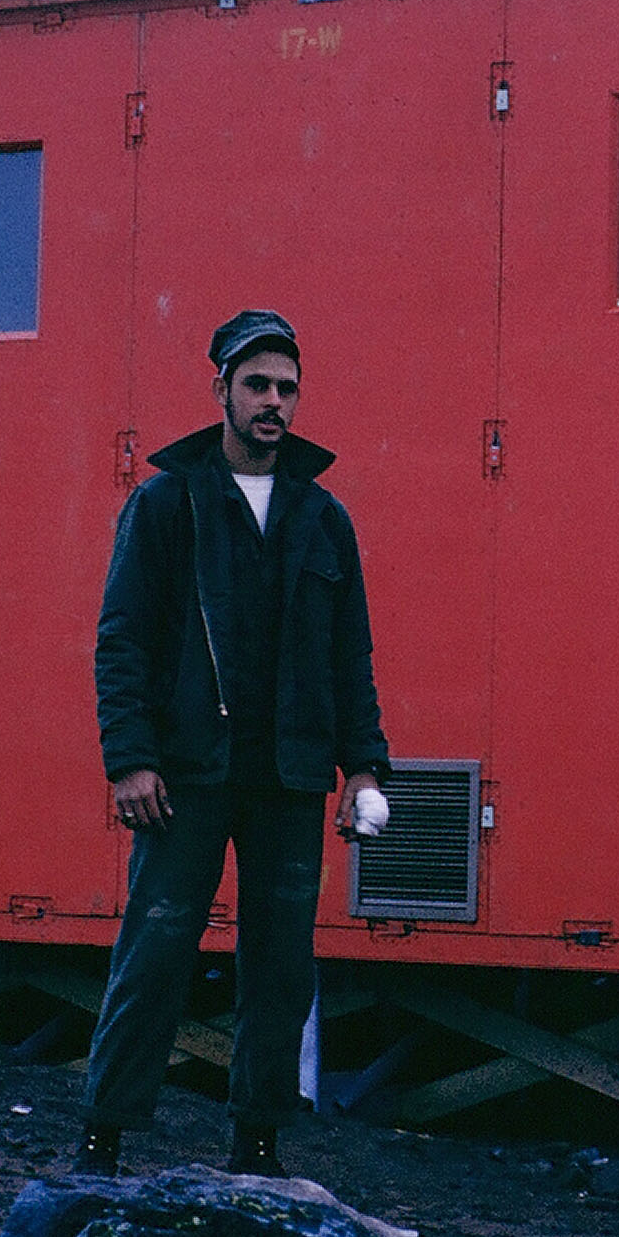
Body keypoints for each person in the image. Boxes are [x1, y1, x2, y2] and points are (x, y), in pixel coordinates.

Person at [77, 309, 388, 1176]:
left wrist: (362, 767)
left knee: (282, 966)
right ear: (220, 389)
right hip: (185, 773)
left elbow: (348, 654)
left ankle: (257, 1150)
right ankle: (101, 1146)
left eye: (287, 388)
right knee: (157, 947)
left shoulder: (322, 517)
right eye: (256, 384)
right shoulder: (166, 502)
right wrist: (130, 759)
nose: (274, 403)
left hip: (288, 776)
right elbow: (122, 638)